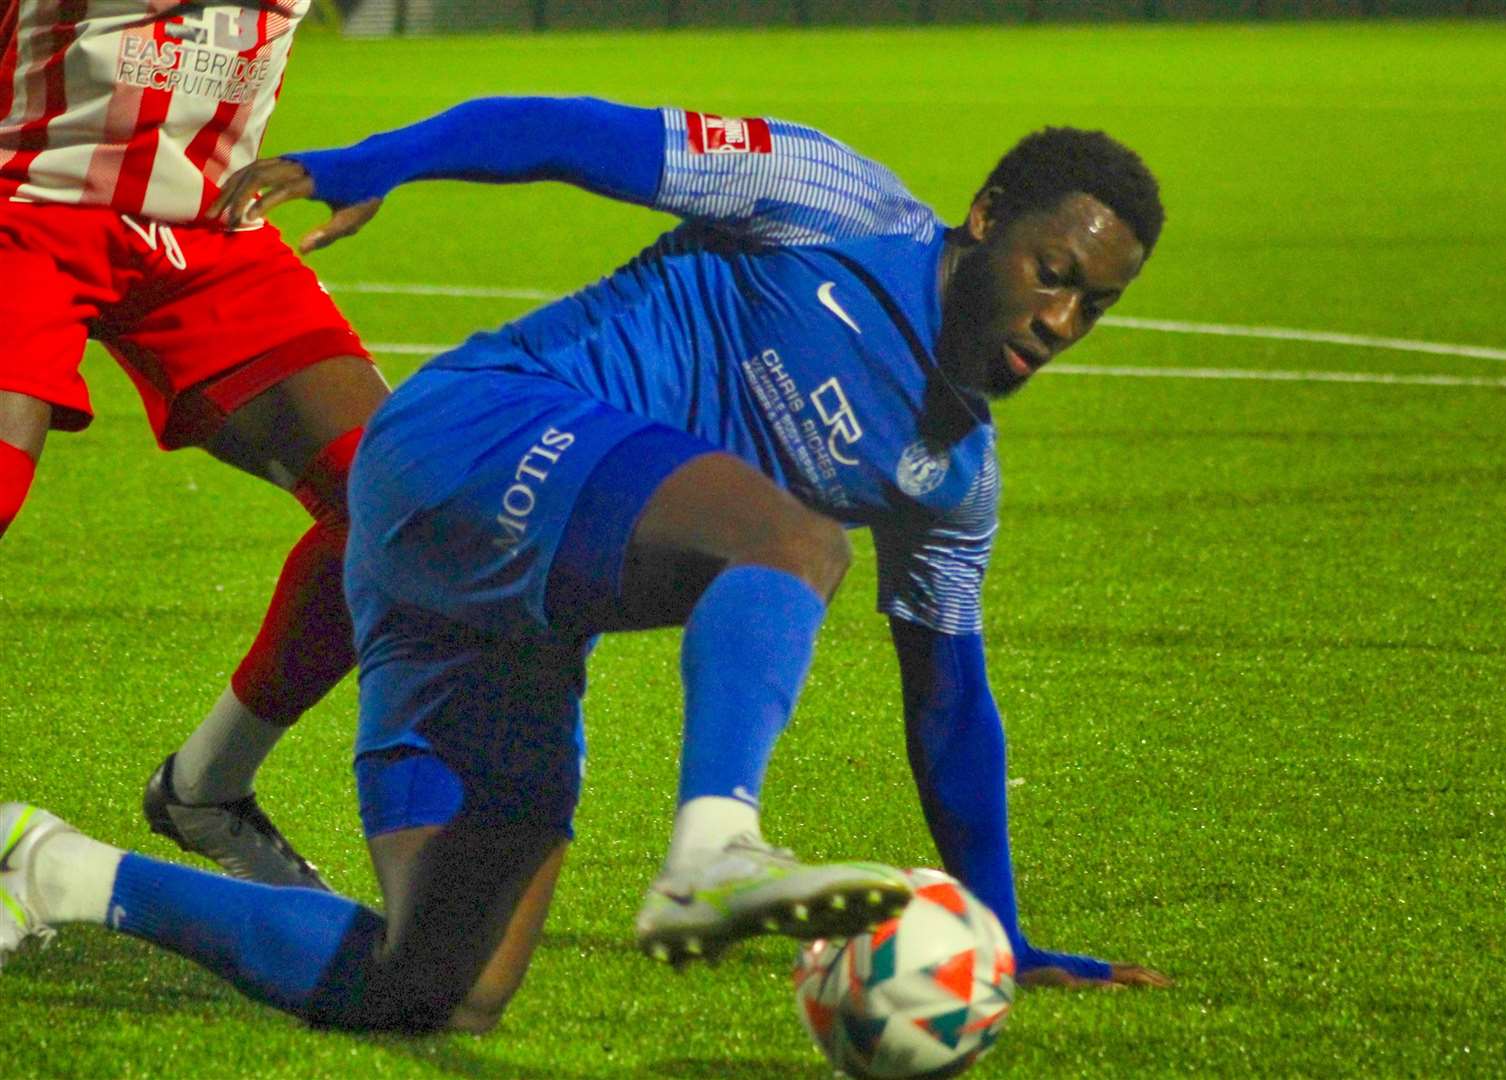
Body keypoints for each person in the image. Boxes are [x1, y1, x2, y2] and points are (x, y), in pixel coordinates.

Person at [0, 94, 1169, 1034]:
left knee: (442, 991)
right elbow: (574, 134)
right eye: (1052, 272)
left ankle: (55, 869)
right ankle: (717, 846)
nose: (1060, 321)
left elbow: (950, 704)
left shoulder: (950, 478)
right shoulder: (832, 197)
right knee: (796, 543)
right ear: (984, 218)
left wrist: (998, 937)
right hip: (474, 432)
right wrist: (382, 158)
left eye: (1094, 307)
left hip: (495, 598)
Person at [0, 2, 390, 889]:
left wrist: (380, 160)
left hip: (210, 232)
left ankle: (205, 789)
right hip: (22, 206)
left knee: (403, 503)